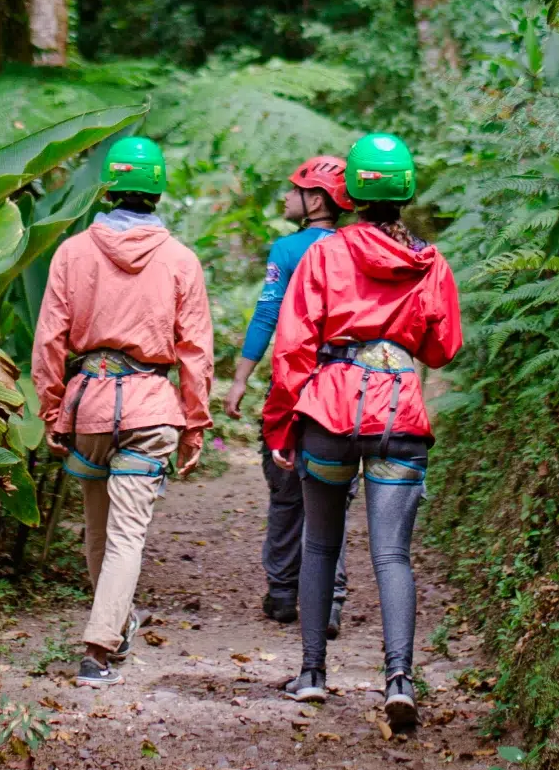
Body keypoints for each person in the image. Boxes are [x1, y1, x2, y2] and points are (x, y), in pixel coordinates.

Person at [260, 131, 462, 735]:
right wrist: (397, 342)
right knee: (392, 554)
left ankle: (313, 675)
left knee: (321, 545)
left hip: (328, 411)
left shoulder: (324, 255)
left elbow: (294, 345)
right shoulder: (429, 260)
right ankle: (399, 681)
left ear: (349, 190)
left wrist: (281, 421)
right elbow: (443, 347)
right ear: (406, 193)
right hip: (399, 413)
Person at [31, 134, 215, 688]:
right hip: (150, 409)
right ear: (157, 192)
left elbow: (49, 340)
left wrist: (50, 408)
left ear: (108, 187)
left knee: (97, 526)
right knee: (126, 535)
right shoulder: (180, 260)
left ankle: (108, 629)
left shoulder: (72, 252)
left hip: (88, 404)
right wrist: (195, 424)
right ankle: (99, 647)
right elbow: (196, 351)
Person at [224, 156, 351, 625]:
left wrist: (240, 378)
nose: (285, 196)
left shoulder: (288, 249)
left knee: (285, 492)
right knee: (334, 498)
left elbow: (266, 315)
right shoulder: (356, 248)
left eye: (293, 188)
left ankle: (281, 593)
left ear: (315, 199)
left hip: (292, 387)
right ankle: (330, 601)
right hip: (343, 387)